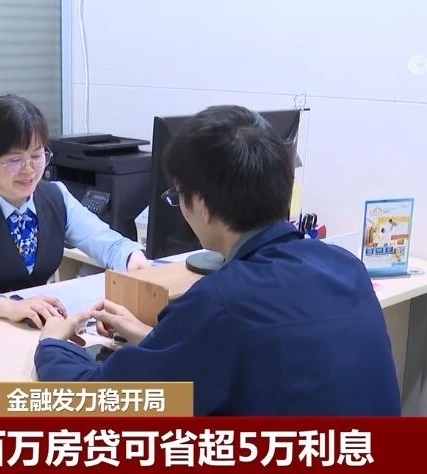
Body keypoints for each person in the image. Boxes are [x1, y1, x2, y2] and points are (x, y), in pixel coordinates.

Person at [33, 105, 402, 416]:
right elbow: (265, 361)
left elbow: (101, 402)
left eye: (178, 196)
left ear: (204, 206)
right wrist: (156, 340)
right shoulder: (344, 266)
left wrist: (52, 346)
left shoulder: (220, 303)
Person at [0, 94, 149, 328]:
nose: (28, 170)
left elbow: (109, 244)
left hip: (36, 329)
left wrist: (132, 258)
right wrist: (7, 306)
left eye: (37, 156)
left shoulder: (56, 197)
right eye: (14, 160)